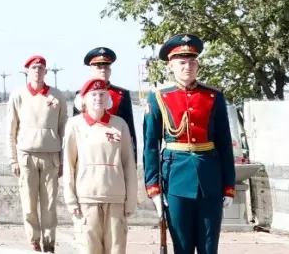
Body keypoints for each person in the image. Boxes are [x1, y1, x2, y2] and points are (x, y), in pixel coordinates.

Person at [143, 35, 237, 254]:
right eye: (182, 62)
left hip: (210, 179)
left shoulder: (213, 96)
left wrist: (229, 186)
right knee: (182, 246)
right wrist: (153, 188)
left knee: (208, 246)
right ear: (171, 65)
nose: (188, 67)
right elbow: (151, 146)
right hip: (175, 179)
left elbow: (224, 144)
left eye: (192, 61)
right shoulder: (158, 98)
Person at [64, 79, 140, 254]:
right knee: (88, 249)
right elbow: (69, 164)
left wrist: (130, 201)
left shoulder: (120, 124)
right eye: (93, 95)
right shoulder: (74, 125)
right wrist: (70, 199)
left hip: (115, 198)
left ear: (108, 99)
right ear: (83, 99)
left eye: (102, 94)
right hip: (87, 199)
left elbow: (129, 164)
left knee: (116, 249)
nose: (98, 98)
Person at [8, 55, 67, 253]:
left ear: (46, 71)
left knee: (49, 203)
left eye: (41, 67)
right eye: (34, 67)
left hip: (51, 155)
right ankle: (34, 241)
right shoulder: (18, 95)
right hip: (26, 156)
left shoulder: (56, 95)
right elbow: (11, 129)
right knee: (29, 203)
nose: (37, 71)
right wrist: (12, 158)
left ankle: (49, 243)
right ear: (27, 71)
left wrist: (63, 161)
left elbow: (63, 129)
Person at [81, 48, 138, 157]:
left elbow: (129, 130)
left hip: (115, 150)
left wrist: (132, 158)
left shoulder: (121, 94)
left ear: (110, 70)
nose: (103, 70)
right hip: (88, 150)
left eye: (106, 67)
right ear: (91, 69)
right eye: (98, 67)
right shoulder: (82, 95)